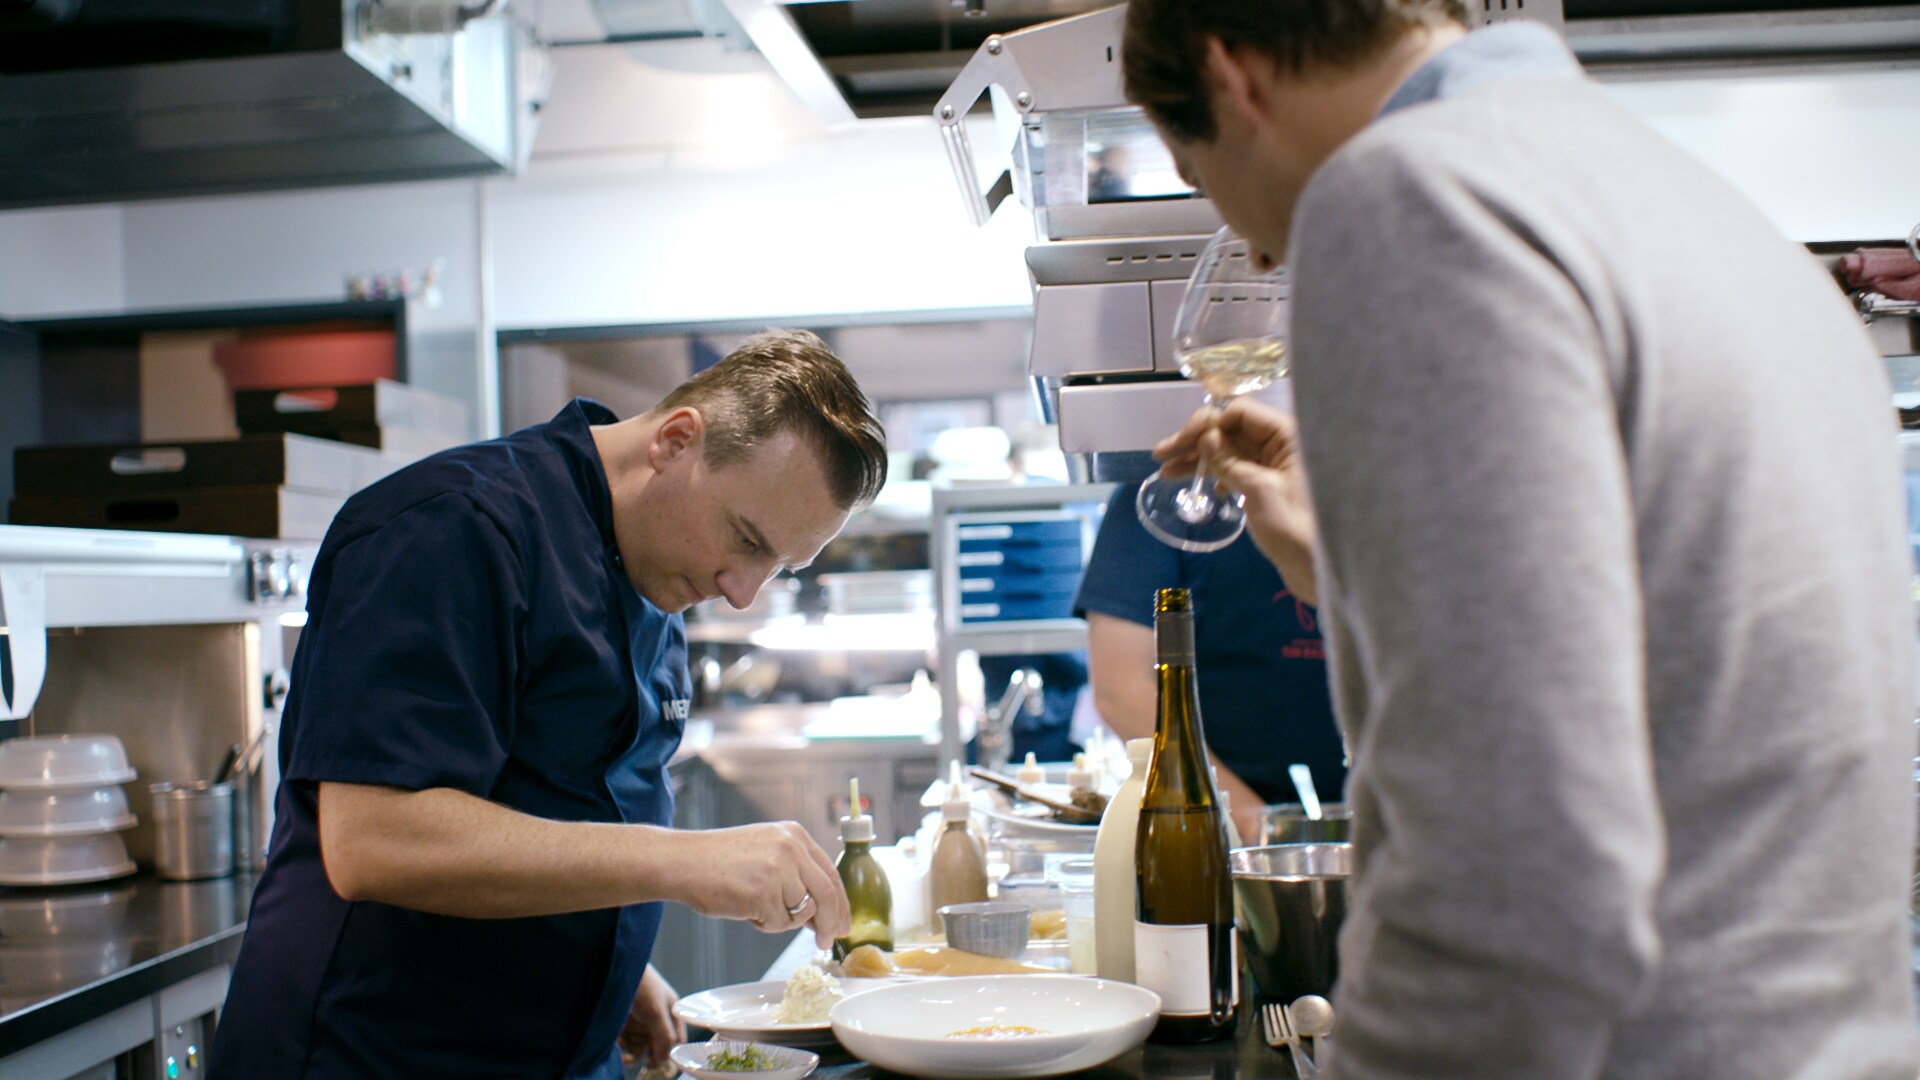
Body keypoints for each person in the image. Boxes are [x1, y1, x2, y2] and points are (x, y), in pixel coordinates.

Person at [1125, 3, 1920, 1077]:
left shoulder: (1408, 192)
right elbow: (1657, 665)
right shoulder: (1699, 207)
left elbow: (1514, 877)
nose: (1256, 245)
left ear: (1230, 80)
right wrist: (1361, 564)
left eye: (1193, 168)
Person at [207, 330, 889, 1080]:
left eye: (777, 567)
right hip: (374, 1053)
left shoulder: (658, 569)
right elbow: (378, 840)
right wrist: (687, 861)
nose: (741, 590)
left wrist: (610, 968)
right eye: (745, 539)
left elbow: (557, 805)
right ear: (675, 439)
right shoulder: (450, 527)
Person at [1074, 472, 1344, 843]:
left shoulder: (1378, 489)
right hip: (1220, 824)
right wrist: (1246, 822)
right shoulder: (1168, 495)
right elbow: (1121, 687)